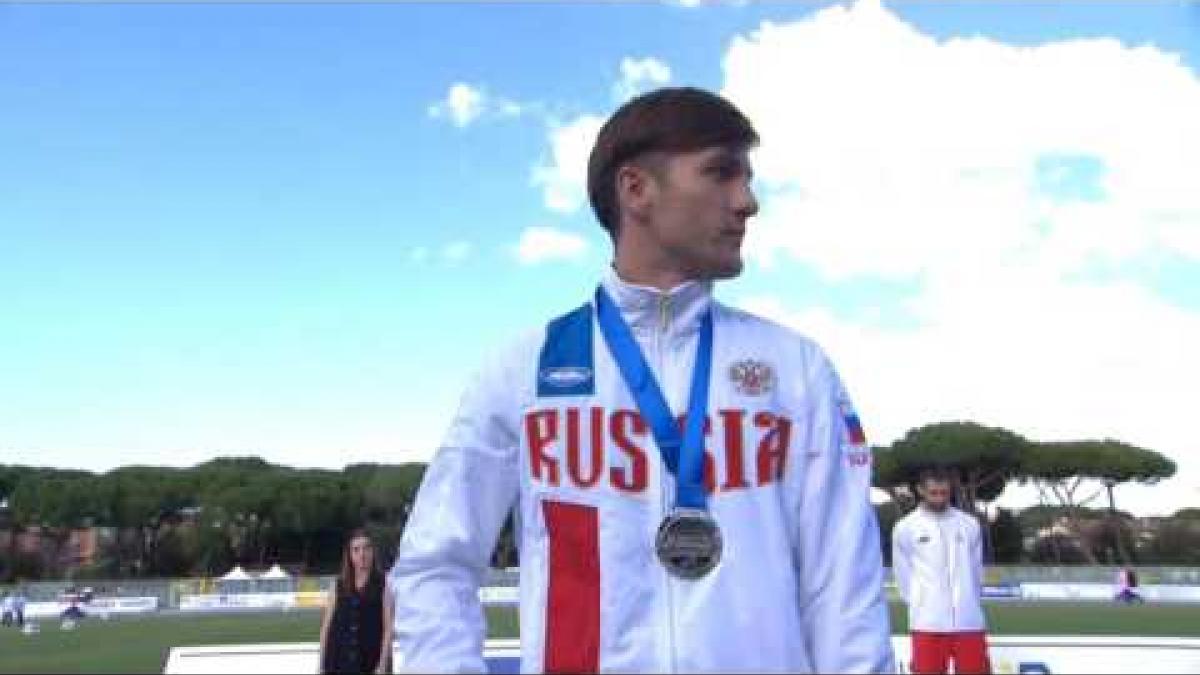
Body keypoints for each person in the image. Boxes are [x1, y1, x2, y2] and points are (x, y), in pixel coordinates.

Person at [390, 87, 893, 673]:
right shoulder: (522, 369)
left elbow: (843, 587)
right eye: (721, 174)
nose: (747, 202)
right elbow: (435, 563)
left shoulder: (796, 368)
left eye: (746, 178)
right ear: (636, 191)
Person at [892, 467, 991, 674]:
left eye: (944, 493)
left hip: (969, 623)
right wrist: (923, 605)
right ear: (920, 490)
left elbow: (975, 572)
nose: (939, 498)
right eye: (933, 493)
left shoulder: (969, 524)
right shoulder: (905, 528)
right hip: (927, 624)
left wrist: (968, 602)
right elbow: (903, 577)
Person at [320, 529, 394, 674]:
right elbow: (326, 627)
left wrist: (383, 664)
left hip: (370, 662)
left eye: (367, 548)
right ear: (350, 555)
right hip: (337, 661)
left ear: (373, 552)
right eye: (356, 550)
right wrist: (321, 665)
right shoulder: (338, 585)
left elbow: (388, 629)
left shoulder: (384, 584)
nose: (362, 554)